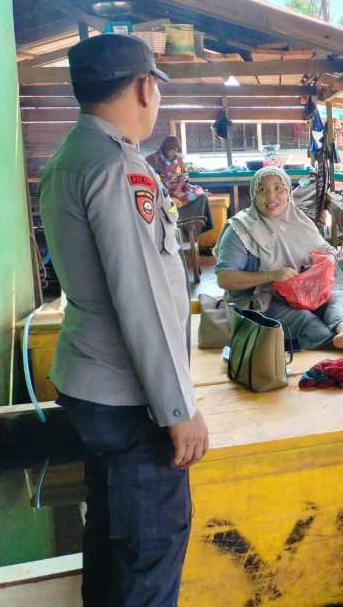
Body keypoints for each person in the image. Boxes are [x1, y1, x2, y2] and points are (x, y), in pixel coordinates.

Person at [39, 34, 207, 607]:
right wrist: (178, 409)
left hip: (92, 386)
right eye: (156, 86)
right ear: (142, 86)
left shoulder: (69, 157)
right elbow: (144, 299)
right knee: (148, 554)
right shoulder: (118, 168)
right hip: (132, 401)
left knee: (111, 546)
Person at [216, 166, 343, 355]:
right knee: (305, 320)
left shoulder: (298, 220)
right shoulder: (240, 229)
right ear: (253, 195)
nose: (271, 197)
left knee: (339, 298)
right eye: (262, 190)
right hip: (261, 300)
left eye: (278, 188)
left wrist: (326, 260)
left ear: (288, 191)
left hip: (298, 294)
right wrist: (271, 276)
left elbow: (324, 249)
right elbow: (224, 278)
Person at [146, 134, 212, 232]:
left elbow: (184, 179)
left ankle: (193, 227)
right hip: (164, 196)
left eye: (177, 151)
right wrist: (167, 181)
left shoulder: (176, 161)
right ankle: (183, 226)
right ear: (166, 149)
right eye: (173, 150)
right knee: (177, 202)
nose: (175, 153)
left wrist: (182, 171)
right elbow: (151, 182)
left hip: (178, 194)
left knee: (202, 196)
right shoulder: (152, 159)